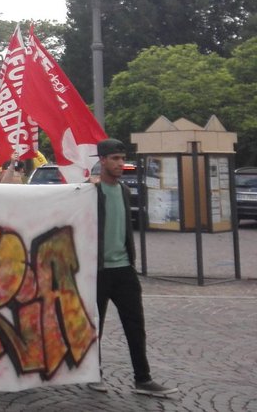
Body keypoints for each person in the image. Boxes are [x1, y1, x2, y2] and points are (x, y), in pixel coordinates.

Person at [89, 139, 178, 398]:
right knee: (94, 326)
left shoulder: (124, 191)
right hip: (98, 270)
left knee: (135, 326)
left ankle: (143, 379)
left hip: (124, 268)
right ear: (102, 160)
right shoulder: (91, 192)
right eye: (115, 159)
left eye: (122, 158)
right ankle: (93, 373)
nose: (121, 163)